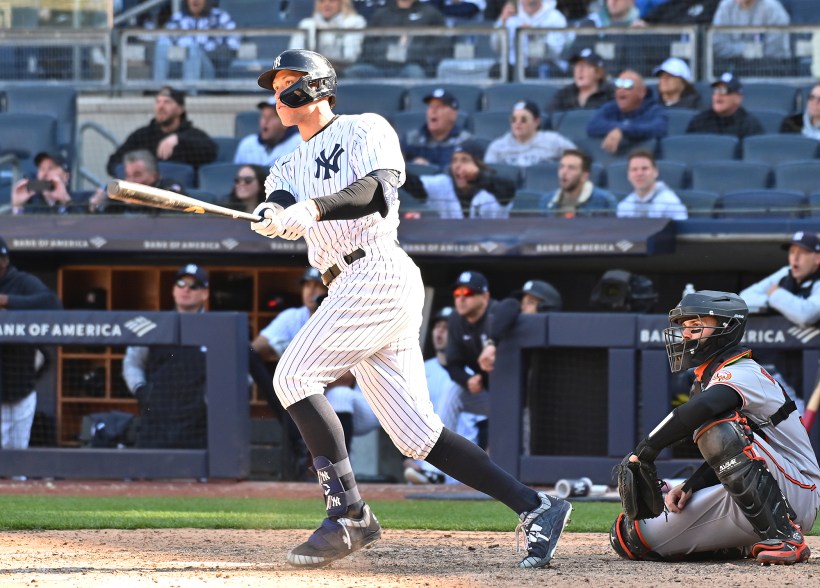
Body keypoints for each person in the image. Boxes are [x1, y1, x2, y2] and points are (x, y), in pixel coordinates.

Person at [249, 48, 572, 570]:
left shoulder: (364, 128)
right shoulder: (283, 163)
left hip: (376, 270)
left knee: (292, 376)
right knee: (417, 435)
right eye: (275, 84)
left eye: (288, 82)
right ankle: (537, 506)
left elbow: (376, 191)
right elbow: (284, 194)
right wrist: (274, 212)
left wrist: (309, 209)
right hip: (345, 284)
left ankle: (348, 514)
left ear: (318, 87)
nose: (278, 93)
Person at [610, 290, 819, 565]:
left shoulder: (744, 371)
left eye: (695, 327)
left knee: (713, 425)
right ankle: (745, 543)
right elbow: (740, 454)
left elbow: (705, 412)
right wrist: (691, 485)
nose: (685, 335)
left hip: (797, 490)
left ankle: (784, 536)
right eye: (684, 328)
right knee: (631, 536)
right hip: (756, 489)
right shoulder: (706, 380)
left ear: (726, 328)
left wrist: (646, 449)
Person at [122, 264, 212, 449]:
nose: (186, 289)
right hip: (157, 418)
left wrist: (210, 399)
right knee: (149, 473)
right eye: (181, 283)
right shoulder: (154, 325)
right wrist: (140, 389)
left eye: (194, 286)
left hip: (198, 423)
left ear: (204, 294)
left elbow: (238, 372)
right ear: (173, 290)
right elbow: (132, 361)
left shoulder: (217, 328)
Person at [404, 306, 487, 485]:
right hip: (425, 468)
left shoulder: (470, 374)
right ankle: (431, 472)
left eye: (446, 327)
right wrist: (404, 457)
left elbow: (484, 422)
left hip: (465, 464)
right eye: (437, 326)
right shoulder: (419, 370)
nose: (440, 331)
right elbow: (406, 417)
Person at [0, 236, 62, 449]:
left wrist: (8, 300)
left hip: (20, 385)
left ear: (4, 261)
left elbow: (52, 303)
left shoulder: (21, 281)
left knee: (17, 456)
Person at [106, 86, 217, 177]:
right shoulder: (142, 135)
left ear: (181, 109)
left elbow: (211, 152)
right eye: (158, 102)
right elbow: (113, 163)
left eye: (167, 102)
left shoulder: (193, 135)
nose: (161, 106)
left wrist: (178, 139)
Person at [402, 139, 517, 218]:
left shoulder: (493, 189)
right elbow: (415, 185)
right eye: (454, 160)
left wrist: (478, 177)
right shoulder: (444, 184)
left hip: (494, 250)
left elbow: (509, 188)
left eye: (465, 160)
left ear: (478, 165)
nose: (457, 165)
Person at [346, 0, 449, 79]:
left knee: (415, 73)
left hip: (411, 66)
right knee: (354, 72)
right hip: (378, 66)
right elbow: (367, 45)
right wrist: (382, 55)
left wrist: (413, 55)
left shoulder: (431, 14)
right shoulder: (381, 13)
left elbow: (440, 47)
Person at [739, 230, 820, 327]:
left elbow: (806, 316)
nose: (795, 258)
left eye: (802, 252)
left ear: (817, 259)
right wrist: (771, 301)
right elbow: (743, 298)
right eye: (792, 252)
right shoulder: (786, 273)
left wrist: (776, 295)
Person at [251, 267, 328, 364]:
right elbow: (255, 349)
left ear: (329, 290)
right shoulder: (292, 316)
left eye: (318, 286)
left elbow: (346, 377)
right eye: (307, 285)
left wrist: (295, 352)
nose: (310, 292)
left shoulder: (341, 318)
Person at [153, 0, 240, 82]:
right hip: (179, 65)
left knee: (192, 49)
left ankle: (191, 94)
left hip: (209, 68)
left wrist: (205, 54)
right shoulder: (178, 18)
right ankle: (159, 89)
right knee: (162, 44)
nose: (195, 1)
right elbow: (164, 40)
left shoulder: (220, 17)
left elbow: (233, 45)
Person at [586, 69, 668, 154]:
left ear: (642, 92)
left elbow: (659, 129)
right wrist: (619, 129)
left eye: (628, 85)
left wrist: (623, 131)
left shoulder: (655, 110)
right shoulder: (610, 107)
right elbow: (593, 125)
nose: (621, 90)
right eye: (618, 84)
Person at [90, 149, 187, 213]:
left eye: (137, 175)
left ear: (154, 175)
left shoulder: (169, 187)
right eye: (128, 176)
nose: (131, 181)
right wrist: (95, 208)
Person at [493, 0, 571, 79]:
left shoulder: (555, 18)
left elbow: (555, 52)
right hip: (511, 66)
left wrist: (534, 36)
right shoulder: (510, 14)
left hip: (541, 67)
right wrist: (502, 23)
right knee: (495, 71)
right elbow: (496, 47)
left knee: (538, 71)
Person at [484, 100, 576, 167]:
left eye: (523, 120)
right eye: (513, 119)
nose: (517, 123)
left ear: (537, 122)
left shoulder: (553, 141)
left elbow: (577, 159)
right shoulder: (497, 147)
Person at [401, 88, 472, 169]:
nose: (433, 111)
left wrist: (430, 169)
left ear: (454, 115)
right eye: (430, 106)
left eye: (440, 107)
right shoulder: (410, 139)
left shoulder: (466, 141)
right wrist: (414, 165)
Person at [289, 0, 367, 74]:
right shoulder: (306, 24)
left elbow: (350, 56)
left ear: (341, 3)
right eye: (322, 1)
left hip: (341, 72)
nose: (326, 4)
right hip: (309, 72)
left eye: (332, 1)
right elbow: (294, 55)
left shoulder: (354, 22)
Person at [538, 148, 618, 217]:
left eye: (571, 168)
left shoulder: (604, 201)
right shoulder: (547, 201)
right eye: (561, 167)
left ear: (584, 176)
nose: (564, 172)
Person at [685, 72, 765, 138]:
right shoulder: (700, 121)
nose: (718, 95)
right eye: (716, 90)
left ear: (738, 98)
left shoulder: (750, 125)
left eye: (724, 91)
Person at [616, 149, 688, 220]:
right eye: (634, 169)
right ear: (628, 175)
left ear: (655, 172)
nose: (639, 173)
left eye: (644, 169)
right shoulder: (624, 206)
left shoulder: (670, 203)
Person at [9, 152, 88, 215]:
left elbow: (81, 228)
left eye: (51, 168)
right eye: (41, 169)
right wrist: (17, 206)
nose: (44, 173)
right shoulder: (32, 202)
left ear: (66, 176)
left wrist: (66, 201)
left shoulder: (80, 201)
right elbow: (21, 231)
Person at [234, 96, 302, 167]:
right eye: (263, 116)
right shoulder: (247, 145)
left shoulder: (299, 144)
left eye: (271, 116)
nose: (265, 121)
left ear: (286, 122)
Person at [712, 0, 791, 61]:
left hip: (769, 68)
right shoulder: (725, 6)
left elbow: (775, 51)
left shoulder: (773, 8)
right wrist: (749, 50)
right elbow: (717, 45)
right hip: (731, 65)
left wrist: (737, 50)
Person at [548, 48, 616, 114]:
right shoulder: (564, 94)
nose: (580, 70)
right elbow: (549, 117)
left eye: (586, 66)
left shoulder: (610, 94)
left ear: (598, 72)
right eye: (577, 66)